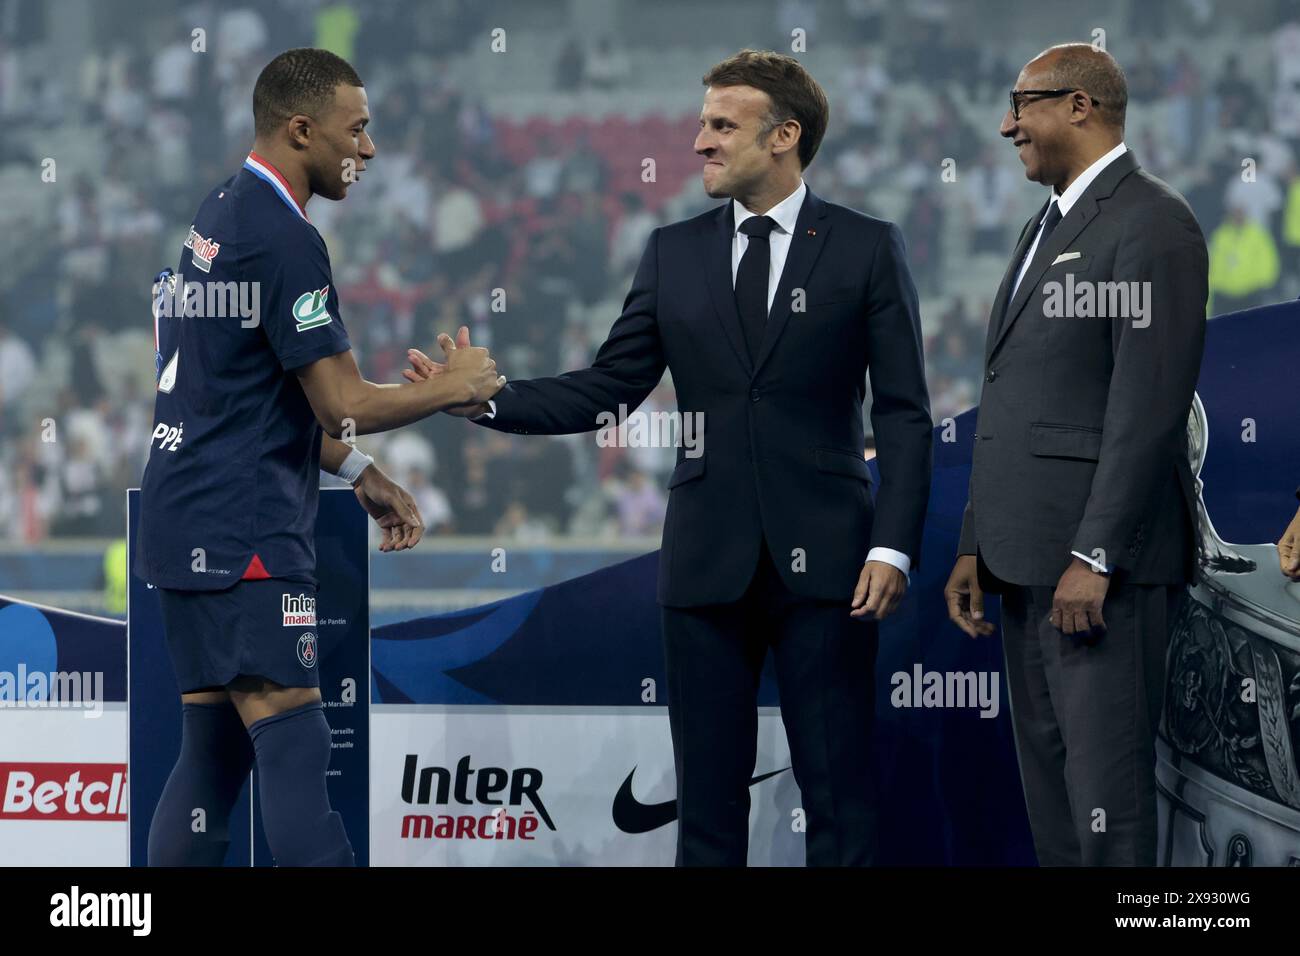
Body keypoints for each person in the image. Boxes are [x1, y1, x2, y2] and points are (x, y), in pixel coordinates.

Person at [408, 49, 932, 866]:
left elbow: (904, 415)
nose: (700, 142)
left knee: (840, 798)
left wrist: (892, 545)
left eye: (722, 125)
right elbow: (610, 386)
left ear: (784, 136)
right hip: (704, 568)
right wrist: (488, 400)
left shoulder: (867, 247)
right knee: (706, 811)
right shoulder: (671, 250)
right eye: (701, 124)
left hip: (832, 567)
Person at [135, 48, 503, 867]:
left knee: (212, 753)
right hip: (245, 533)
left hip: (187, 517)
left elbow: (245, 390)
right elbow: (340, 400)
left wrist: (355, 470)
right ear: (303, 130)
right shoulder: (285, 239)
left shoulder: (220, 208)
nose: (368, 149)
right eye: (358, 129)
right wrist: (452, 386)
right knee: (296, 752)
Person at [945, 43, 1208, 866]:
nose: (1006, 124)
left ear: (1081, 107)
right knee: (1058, 812)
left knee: (1110, 811)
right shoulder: (1045, 224)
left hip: (1101, 577)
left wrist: (1095, 552)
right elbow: (1020, 395)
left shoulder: (1153, 221)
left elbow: (1148, 408)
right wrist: (975, 542)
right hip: (1025, 568)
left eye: (1023, 104)